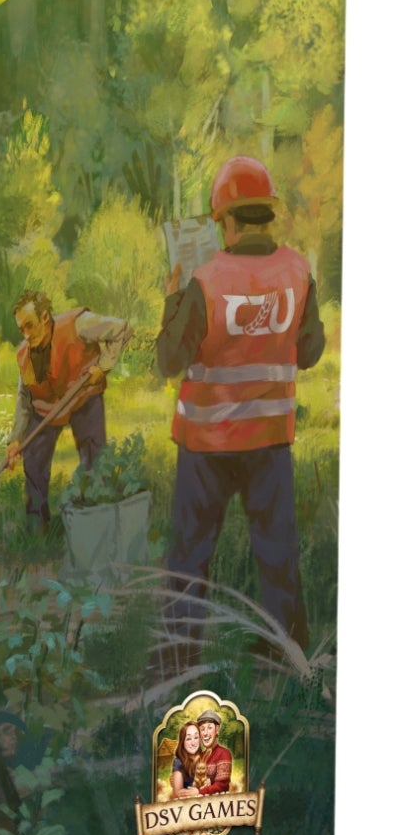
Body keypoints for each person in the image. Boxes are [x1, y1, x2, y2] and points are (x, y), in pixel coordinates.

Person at [157, 156, 325, 669]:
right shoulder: (299, 271)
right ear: (265, 215)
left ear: (228, 221)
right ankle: (286, 655)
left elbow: (169, 361)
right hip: (270, 439)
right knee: (277, 551)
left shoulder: (205, 280)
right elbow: (311, 351)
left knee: (190, 555)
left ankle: (180, 655)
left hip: (206, 445)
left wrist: (171, 301)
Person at [4, 293, 131, 528]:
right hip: (47, 409)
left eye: (30, 325)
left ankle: (96, 517)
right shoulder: (24, 355)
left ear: (45, 317)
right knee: (33, 461)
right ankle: (36, 526)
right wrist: (15, 439)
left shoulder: (78, 325)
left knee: (95, 458)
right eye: (21, 329)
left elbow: (121, 328)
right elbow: (25, 400)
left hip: (83, 396)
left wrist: (103, 367)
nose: (26, 334)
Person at [192, 709, 235, 794]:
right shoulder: (201, 756)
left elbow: (222, 786)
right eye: (202, 729)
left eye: (209, 728)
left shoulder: (224, 754)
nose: (205, 733)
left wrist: (198, 792)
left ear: (217, 729)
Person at [166, 719, 205, 800]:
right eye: (188, 739)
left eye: (196, 737)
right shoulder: (179, 762)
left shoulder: (204, 758)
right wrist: (198, 791)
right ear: (182, 741)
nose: (193, 743)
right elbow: (178, 794)